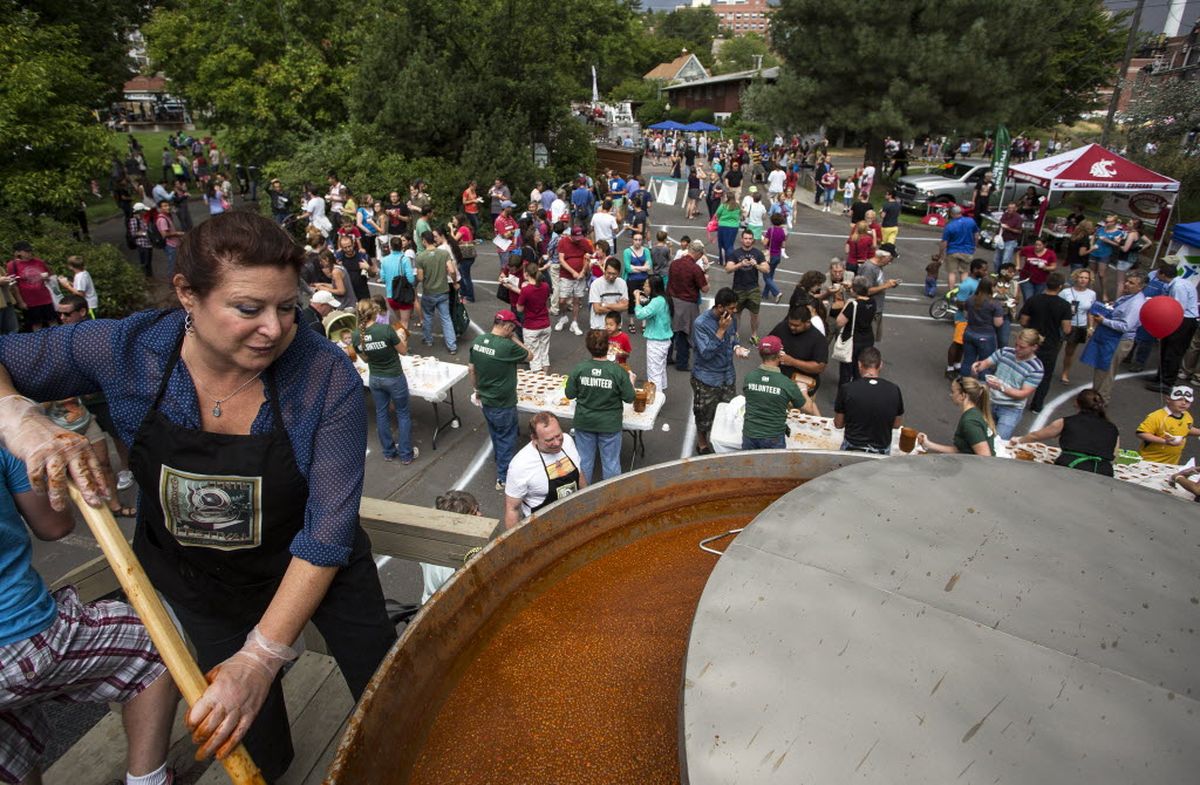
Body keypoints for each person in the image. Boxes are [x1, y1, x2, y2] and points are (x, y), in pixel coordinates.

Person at [0, 211, 397, 780]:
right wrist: (15, 416)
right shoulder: (127, 349)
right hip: (198, 579)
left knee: (383, 681)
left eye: (287, 307)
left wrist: (262, 657)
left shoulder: (321, 372)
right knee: (249, 734)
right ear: (187, 293)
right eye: (248, 308)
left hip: (313, 563)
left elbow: (328, 530)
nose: (275, 329)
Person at [0, 443, 179, 785]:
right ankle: (149, 781)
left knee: (13, 728)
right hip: (13, 632)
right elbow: (54, 525)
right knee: (156, 641)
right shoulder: (7, 434)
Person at [469, 310, 531, 491]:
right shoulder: (507, 346)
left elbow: (471, 370)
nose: (513, 330)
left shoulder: (478, 341)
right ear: (508, 326)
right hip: (503, 402)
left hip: (486, 399)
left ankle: (499, 460)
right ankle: (504, 477)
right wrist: (514, 339)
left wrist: (477, 390)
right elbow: (530, 355)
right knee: (507, 439)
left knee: (496, 433)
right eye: (512, 328)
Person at [565, 329, 635, 483]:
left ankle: (582, 497)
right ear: (608, 346)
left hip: (585, 422)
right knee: (611, 463)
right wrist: (631, 382)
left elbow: (569, 394)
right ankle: (610, 498)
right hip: (609, 424)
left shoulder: (579, 368)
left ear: (588, 347)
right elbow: (629, 398)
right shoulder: (617, 371)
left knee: (584, 462)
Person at [353, 299, 417, 465]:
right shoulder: (385, 330)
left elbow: (365, 360)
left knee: (382, 414)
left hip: (375, 378)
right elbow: (403, 352)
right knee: (402, 414)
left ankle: (388, 452)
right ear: (374, 312)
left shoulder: (355, 335)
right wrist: (402, 337)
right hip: (394, 377)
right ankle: (405, 454)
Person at [502, 412, 585, 530]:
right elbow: (512, 509)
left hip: (573, 516)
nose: (557, 443)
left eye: (558, 435)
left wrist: (588, 502)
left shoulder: (567, 441)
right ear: (534, 439)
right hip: (542, 528)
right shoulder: (520, 465)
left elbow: (579, 473)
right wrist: (515, 545)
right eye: (549, 440)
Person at [691, 288, 749, 454]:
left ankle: (721, 443)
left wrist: (737, 346)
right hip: (707, 377)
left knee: (728, 412)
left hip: (727, 375)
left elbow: (733, 338)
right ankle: (702, 443)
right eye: (731, 308)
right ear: (720, 307)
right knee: (704, 414)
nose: (735, 311)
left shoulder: (731, 319)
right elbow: (706, 353)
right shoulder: (701, 324)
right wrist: (721, 330)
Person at [1011, 390, 1119, 476]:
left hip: (1071, 467)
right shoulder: (1113, 428)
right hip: (1103, 471)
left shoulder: (1066, 422)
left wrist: (1018, 440)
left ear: (1077, 403)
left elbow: (1036, 435)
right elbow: (1114, 455)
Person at [1081, 271, 1146, 403]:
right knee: (1101, 367)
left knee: (1107, 371)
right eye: (1127, 280)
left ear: (1140, 287)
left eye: (1131, 283)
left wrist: (1103, 320)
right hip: (1110, 337)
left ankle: (1101, 400)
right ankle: (1094, 396)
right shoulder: (1127, 297)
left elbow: (1125, 326)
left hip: (1119, 340)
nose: (1126, 284)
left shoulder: (1136, 304)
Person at [970, 328, 1045, 440]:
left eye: (1022, 347)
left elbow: (1023, 393)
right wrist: (977, 366)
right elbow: (986, 363)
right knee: (976, 436)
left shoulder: (1036, 368)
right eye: (1016, 345)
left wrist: (1001, 387)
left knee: (998, 442)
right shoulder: (1005, 352)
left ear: (1034, 347)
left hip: (1011, 409)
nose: (1017, 349)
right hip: (990, 401)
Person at [741, 335, 814, 450]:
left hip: (749, 434)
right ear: (780, 354)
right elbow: (809, 408)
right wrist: (803, 389)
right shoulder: (786, 384)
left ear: (760, 354)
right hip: (773, 436)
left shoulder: (749, 378)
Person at [1018, 272, 1072, 412]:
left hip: (1030, 341)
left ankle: (1017, 399)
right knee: (1045, 375)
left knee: (1021, 370)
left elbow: (1023, 320)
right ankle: (1037, 405)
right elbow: (1066, 329)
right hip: (1050, 344)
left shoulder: (1033, 299)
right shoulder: (1064, 305)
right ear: (1060, 286)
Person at [834, 346, 903, 454]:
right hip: (881, 450)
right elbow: (896, 424)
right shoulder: (894, 389)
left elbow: (838, 424)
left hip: (852, 447)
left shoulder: (847, 389)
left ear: (859, 365)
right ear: (880, 365)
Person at [1147, 263, 1199, 394]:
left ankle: (1167, 382)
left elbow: (1178, 308)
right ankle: (1161, 376)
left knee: (1173, 351)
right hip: (1183, 319)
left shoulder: (1178, 287)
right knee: (1166, 349)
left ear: (1163, 274)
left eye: (1158, 272)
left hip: (1183, 320)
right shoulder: (1180, 283)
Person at [916, 376, 996, 456]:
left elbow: (985, 457)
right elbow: (962, 450)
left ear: (963, 396)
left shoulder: (970, 423)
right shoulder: (974, 413)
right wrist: (928, 444)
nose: (951, 395)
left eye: (953, 392)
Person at [767, 303, 829, 394]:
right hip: (777, 381)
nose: (792, 327)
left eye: (796, 325)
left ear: (807, 323)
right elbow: (768, 341)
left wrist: (792, 362)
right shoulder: (782, 327)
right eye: (790, 324)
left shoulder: (818, 339)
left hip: (801, 384)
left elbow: (819, 367)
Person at [415, 231, 458, 354]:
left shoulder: (420, 257)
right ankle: (452, 346)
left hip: (429, 292)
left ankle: (428, 339)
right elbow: (452, 270)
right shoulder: (444, 253)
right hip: (443, 291)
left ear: (424, 241)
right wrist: (454, 282)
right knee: (446, 318)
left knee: (428, 316)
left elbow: (420, 278)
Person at [725, 229, 770, 345]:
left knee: (754, 314)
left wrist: (757, 265)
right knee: (736, 313)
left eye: (750, 238)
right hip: (738, 288)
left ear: (753, 240)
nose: (748, 241)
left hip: (753, 288)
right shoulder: (735, 253)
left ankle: (754, 335)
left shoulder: (758, 253)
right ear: (741, 239)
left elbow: (766, 269)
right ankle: (736, 333)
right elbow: (728, 269)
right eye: (746, 238)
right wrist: (740, 264)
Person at [1136, 385, 1200, 465]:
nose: (1183, 403)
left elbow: (1187, 428)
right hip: (1149, 461)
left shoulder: (1187, 416)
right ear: (1168, 399)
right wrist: (1165, 442)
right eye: (1179, 399)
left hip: (1171, 463)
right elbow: (1141, 433)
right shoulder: (1156, 416)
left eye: (1187, 401)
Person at [834, 277, 878, 386]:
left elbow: (839, 322)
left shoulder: (853, 305)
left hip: (853, 341)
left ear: (853, 290)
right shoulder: (872, 302)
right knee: (861, 368)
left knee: (846, 371)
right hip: (867, 339)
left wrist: (846, 304)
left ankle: (844, 395)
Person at [633, 273, 672, 391]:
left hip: (656, 342)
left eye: (646, 286)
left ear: (653, 288)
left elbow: (640, 314)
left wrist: (637, 300)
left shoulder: (657, 302)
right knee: (660, 370)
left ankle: (656, 399)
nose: (644, 288)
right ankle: (661, 393)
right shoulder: (664, 298)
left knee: (654, 373)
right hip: (664, 340)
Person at [960, 277, 1004, 380]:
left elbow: (966, 315)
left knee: (967, 361)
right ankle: (981, 388)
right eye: (996, 287)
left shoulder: (970, 299)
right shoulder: (995, 304)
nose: (997, 289)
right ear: (991, 288)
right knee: (984, 364)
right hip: (986, 337)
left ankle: (963, 384)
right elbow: (998, 323)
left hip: (969, 333)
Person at [6, 242, 54, 332]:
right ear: (18, 253)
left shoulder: (38, 261)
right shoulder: (12, 265)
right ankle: (38, 343)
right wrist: (20, 302)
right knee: (36, 324)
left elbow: (50, 274)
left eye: (30, 251)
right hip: (30, 301)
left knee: (52, 321)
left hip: (45, 298)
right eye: (26, 251)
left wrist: (46, 277)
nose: (29, 253)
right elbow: (13, 285)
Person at [1059, 268, 1097, 383]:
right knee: (1055, 348)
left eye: (1086, 278)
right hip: (1063, 323)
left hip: (1079, 325)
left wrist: (1091, 327)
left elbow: (1091, 312)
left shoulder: (1092, 294)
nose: (1083, 280)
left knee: (1070, 352)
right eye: (1081, 277)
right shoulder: (1065, 292)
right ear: (1076, 278)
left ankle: (1065, 373)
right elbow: (1057, 306)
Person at [856, 243, 900, 342]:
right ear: (883, 257)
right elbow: (865, 291)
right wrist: (886, 285)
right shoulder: (869, 268)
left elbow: (876, 284)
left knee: (872, 339)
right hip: (869, 310)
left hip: (876, 309)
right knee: (867, 341)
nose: (890, 262)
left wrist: (889, 284)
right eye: (891, 258)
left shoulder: (878, 267)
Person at [554, 225, 592, 336]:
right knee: (562, 300)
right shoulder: (563, 242)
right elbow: (561, 260)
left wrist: (583, 272)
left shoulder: (584, 242)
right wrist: (573, 272)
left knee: (577, 300)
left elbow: (588, 256)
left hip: (580, 275)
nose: (579, 240)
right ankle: (563, 317)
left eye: (580, 237)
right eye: (577, 238)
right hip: (566, 275)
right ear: (571, 235)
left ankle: (574, 322)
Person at [514, 262, 552, 373]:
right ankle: (545, 375)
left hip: (531, 326)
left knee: (534, 357)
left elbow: (519, 308)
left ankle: (539, 379)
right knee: (544, 354)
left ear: (526, 274)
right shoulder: (545, 286)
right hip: (545, 324)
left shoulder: (526, 290)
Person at [938, 205, 979, 290]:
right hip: (967, 250)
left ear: (952, 214)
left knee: (952, 273)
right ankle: (963, 293)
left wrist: (941, 254)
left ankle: (951, 292)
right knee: (964, 273)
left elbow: (944, 242)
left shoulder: (949, 226)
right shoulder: (970, 221)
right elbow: (976, 235)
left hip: (953, 251)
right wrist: (975, 245)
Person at [1089, 214, 1125, 300]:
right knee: (1092, 273)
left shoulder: (1118, 232)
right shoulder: (1101, 229)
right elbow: (1093, 236)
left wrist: (1107, 240)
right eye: (1106, 221)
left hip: (1105, 255)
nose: (1106, 223)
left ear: (1114, 223)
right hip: (1094, 252)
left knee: (1102, 275)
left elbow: (1117, 245)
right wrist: (1091, 245)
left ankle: (1104, 293)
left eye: (1108, 222)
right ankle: (1090, 292)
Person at [1016, 238, 1057, 302]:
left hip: (1041, 280)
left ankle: (1032, 311)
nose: (1037, 247)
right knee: (1028, 299)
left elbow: (1054, 267)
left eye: (1039, 245)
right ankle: (1026, 311)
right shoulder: (1028, 249)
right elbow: (1018, 253)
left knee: (1036, 300)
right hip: (1026, 278)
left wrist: (1045, 267)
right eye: (1036, 244)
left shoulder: (1050, 254)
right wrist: (1018, 265)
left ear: (1044, 245)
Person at [992, 203, 1023, 272]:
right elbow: (1000, 225)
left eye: (1012, 208)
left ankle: (1003, 275)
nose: (1010, 209)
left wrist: (1009, 228)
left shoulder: (1018, 218)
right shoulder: (1004, 215)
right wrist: (995, 236)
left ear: (1016, 209)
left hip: (1010, 241)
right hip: (1001, 239)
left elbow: (1019, 231)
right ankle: (996, 273)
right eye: (1009, 208)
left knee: (1005, 260)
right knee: (996, 259)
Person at [714, 193, 741, 266]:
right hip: (734, 227)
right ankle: (731, 260)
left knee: (722, 244)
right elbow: (740, 215)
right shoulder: (737, 206)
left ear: (727, 198)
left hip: (723, 226)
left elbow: (717, 214)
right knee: (730, 244)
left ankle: (723, 261)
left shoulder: (723, 205)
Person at [129, 202, 154, 276]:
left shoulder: (142, 219)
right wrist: (144, 233)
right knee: (145, 263)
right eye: (143, 210)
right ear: (140, 211)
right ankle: (146, 277)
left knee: (149, 262)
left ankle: (150, 276)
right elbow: (133, 233)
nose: (145, 212)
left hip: (148, 243)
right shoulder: (134, 220)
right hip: (142, 244)